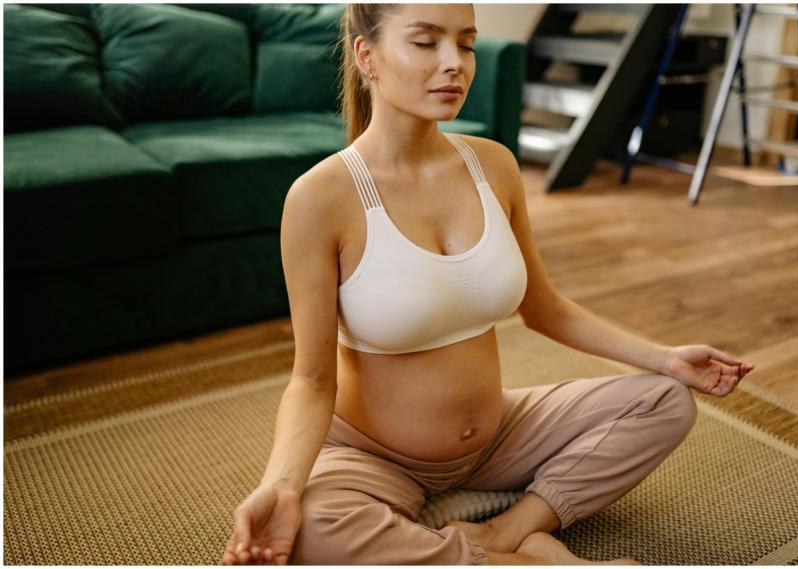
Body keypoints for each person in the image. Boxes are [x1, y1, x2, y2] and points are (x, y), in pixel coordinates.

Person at [219, 3, 755, 566]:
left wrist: (665, 358)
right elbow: (310, 380)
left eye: (467, 43)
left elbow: (545, 308)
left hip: (498, 437)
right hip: (374, 456)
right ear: (366, 56)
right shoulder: (319, 198)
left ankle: (507, 530)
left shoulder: (494, 166)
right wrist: (281, 485)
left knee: (664, 401)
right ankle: (532, 560)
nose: (454, 62)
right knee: (313, 531)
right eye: (425, 42)